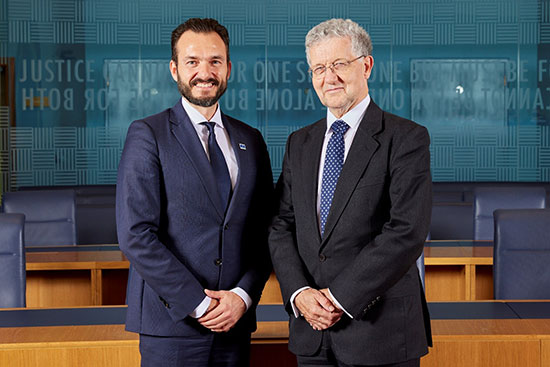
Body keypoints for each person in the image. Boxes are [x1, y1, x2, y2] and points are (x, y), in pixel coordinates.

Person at [268, 18, 432, 367]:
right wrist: (300, 294)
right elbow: (281, 224)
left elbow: (407, 231)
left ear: (366, 65)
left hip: (380, 334)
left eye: (339, 64)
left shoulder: (405, 138)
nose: (329, 78)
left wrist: (339, 298)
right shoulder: (300, 143)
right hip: (311, 332)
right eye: (319, 68)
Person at [116, 18, 273, 367]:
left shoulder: (251, 140)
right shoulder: (148, 135)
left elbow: (264, 232)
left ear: (229, 68)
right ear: (174, 69)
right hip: (171, 325)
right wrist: (200, 305)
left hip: (234, 324)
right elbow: (136, 235)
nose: (205, 72)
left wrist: (242, 297)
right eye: (193, 62)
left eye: (215, 61)